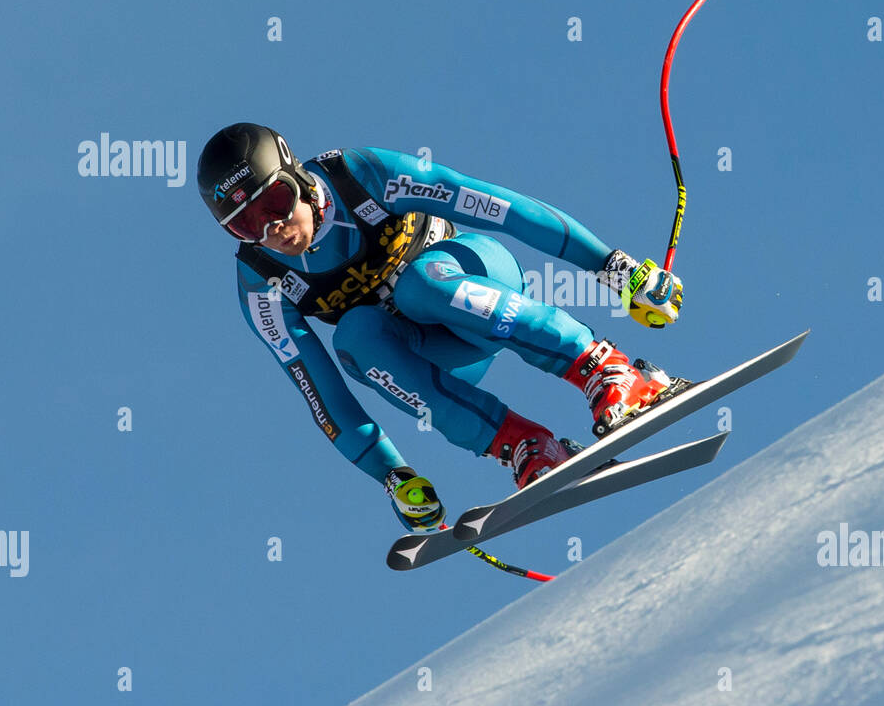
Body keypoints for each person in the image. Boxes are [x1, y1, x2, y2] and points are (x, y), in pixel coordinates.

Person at [197, 123, 684, 533]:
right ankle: (524, 444)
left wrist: (614, 268)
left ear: (297, 176)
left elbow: (503, 208)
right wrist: (392, 475)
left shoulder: (361, 176)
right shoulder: (261, 280)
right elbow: (317, 388)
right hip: (433, 354)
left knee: (419, 285)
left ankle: (605, 369)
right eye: (246, 226)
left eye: (275, 203)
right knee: (354, 338)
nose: (271, 229)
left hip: (476, 281)